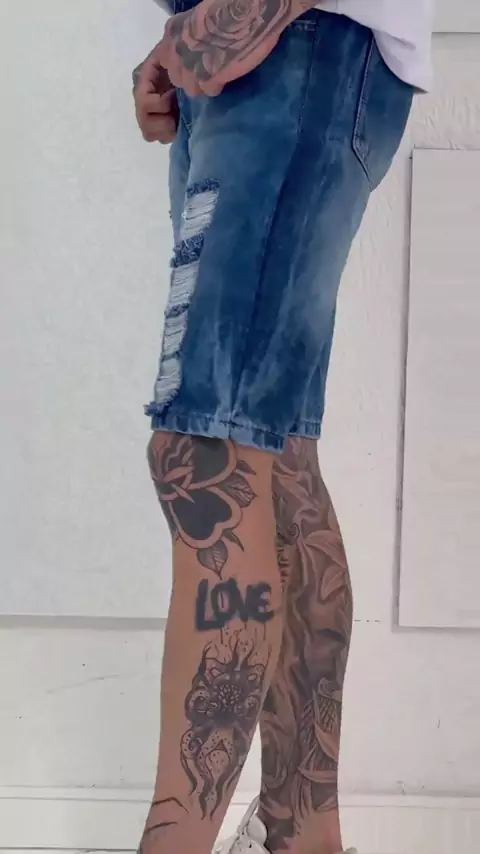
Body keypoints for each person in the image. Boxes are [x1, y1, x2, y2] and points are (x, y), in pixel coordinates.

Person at [132, 1, 433, 853]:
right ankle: (304, 840)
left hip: (293, 51)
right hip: (259, 59)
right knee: (274, 458)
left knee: (208, 453)